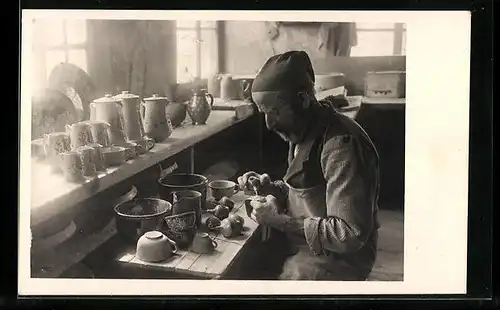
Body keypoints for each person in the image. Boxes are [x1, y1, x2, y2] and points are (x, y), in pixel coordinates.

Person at [237, 50, 381, 281]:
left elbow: (349, 235)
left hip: (340, 259)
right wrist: (272, 188)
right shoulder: (305, 131)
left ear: (303, 100)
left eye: (274, 112)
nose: (269, 124)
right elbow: (310, 195)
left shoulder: (342, 146)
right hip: (307, 243)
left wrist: (278, 221)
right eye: (263, 113)